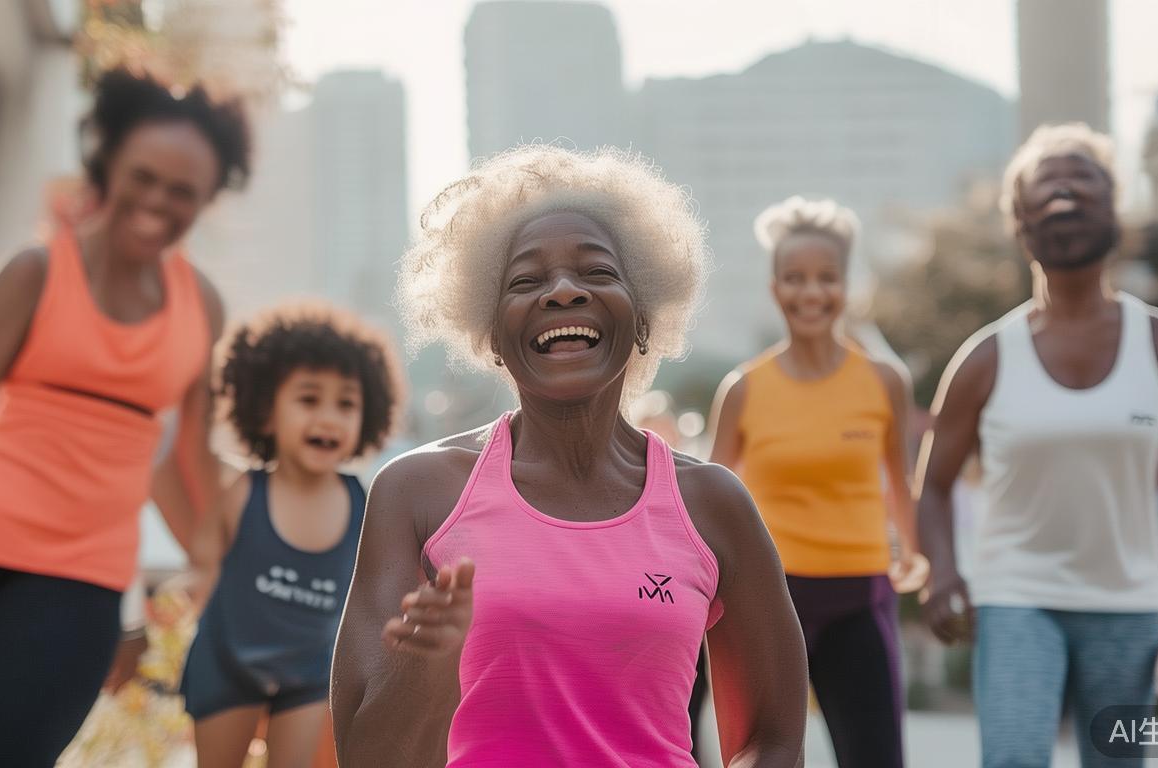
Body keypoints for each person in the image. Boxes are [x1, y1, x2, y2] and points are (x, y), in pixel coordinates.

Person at [330, 146, 808, 767]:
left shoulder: (713, 504)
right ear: (492, 334)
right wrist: (426, 668)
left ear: (642, 319)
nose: (562, 291)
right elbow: (364, 758)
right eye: (525, 281)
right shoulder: (418, 491)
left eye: (598, 273)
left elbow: (771, 741)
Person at [0, 65, 250, 767]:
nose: (158, 201)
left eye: (182, 190)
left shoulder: (200, 308)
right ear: (109, 163)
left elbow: (190, 462)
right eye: (143, 176)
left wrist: (233, 570)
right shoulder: (32, 276)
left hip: (82, 578)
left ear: (208, 198)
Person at [916, 123, 1158, 768]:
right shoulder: (984, 357)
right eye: (1046, 181)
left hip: (1128, 604)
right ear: (1020, 220)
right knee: (1015, 759)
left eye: (1082, 177)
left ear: (1113, 207)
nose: (1065, 189)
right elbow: (936, 483)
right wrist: (943, 572)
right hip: (1014, 597)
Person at [709, 196, 920, 768]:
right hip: (770, 596)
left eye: (826, 278)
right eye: (794, 278)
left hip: (861, 594)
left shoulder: (883, 382)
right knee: (765, 758)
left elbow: (899, 483)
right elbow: (711, 500)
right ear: (775, 287)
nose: (811, 293)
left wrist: (919, 556)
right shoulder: (743, 389)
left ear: (846, 286)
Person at [183, 303, 403, 768]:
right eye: (308, 400)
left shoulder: (363, 501)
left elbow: (375, 590)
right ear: (265, 412)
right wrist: (202, 596)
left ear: (367, 417)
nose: (328, 418)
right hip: (228, 663)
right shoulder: (243, 492)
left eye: (345, 404)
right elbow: (202, 557)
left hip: (309, 672)